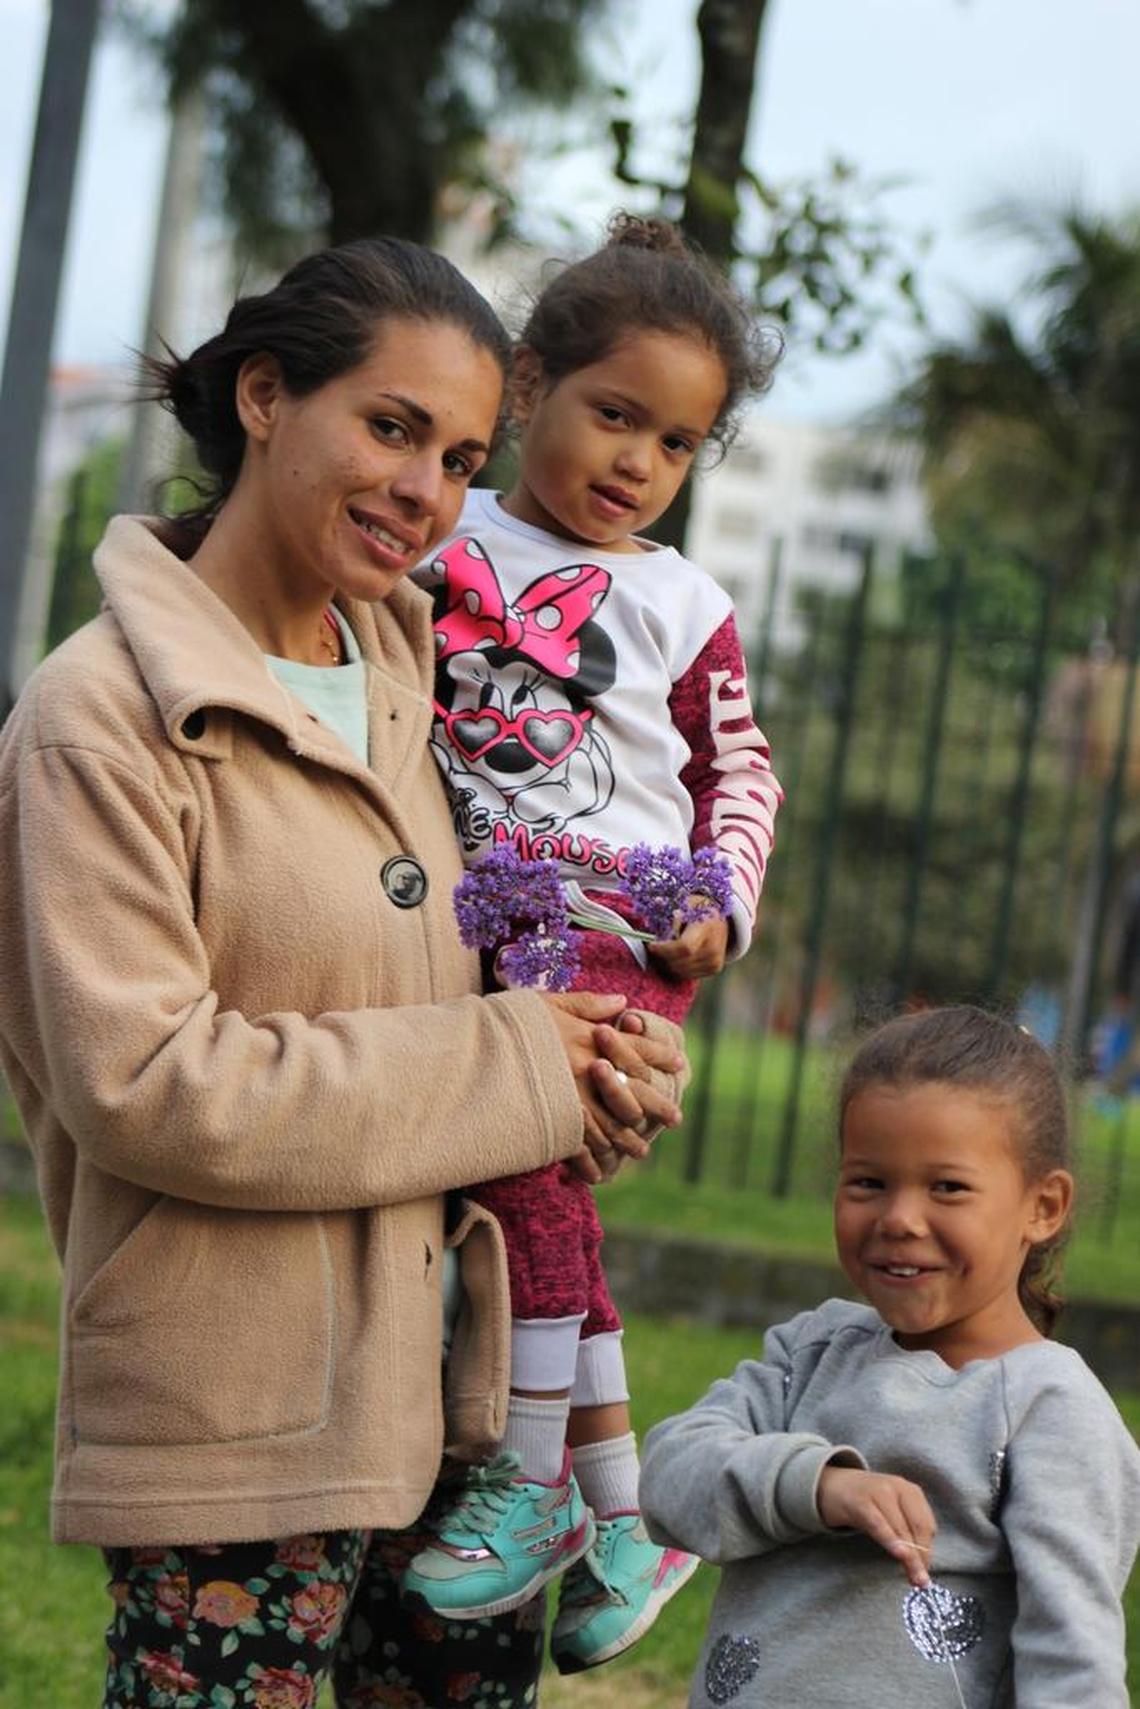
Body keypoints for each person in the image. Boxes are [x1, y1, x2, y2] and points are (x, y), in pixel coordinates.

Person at [0, 236, 691, 1709]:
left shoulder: (430, 675)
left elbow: (492, 974)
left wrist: (596, 1074)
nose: (426, 492)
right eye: (390, 428)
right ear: (263, 396)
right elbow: (149, 1084)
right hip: (235, 1421)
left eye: (458, 456)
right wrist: (515, 1068)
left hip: (467, 1411)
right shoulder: (97, 719)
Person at [403, 213, 782, 1673]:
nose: (638, 464)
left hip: (616, 931)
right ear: (527, 383)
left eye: (677, 443)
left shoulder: (688, 602)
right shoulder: (445, 540)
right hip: (472, 929)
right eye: (614, 414)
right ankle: (632, 1512)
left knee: (522, 1163)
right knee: (547, 1201)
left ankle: (532, 1479)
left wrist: (724, 903)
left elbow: (742, 773)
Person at [640, 1005, 1140, 1708]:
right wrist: (817, 1486)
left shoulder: (1048, 1407)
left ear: (1044, 1205)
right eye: (869, 1182)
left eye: (948, 1187)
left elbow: (1073, 1656)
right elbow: (669, 1475)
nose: (900, 1218)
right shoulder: (813, 1350)